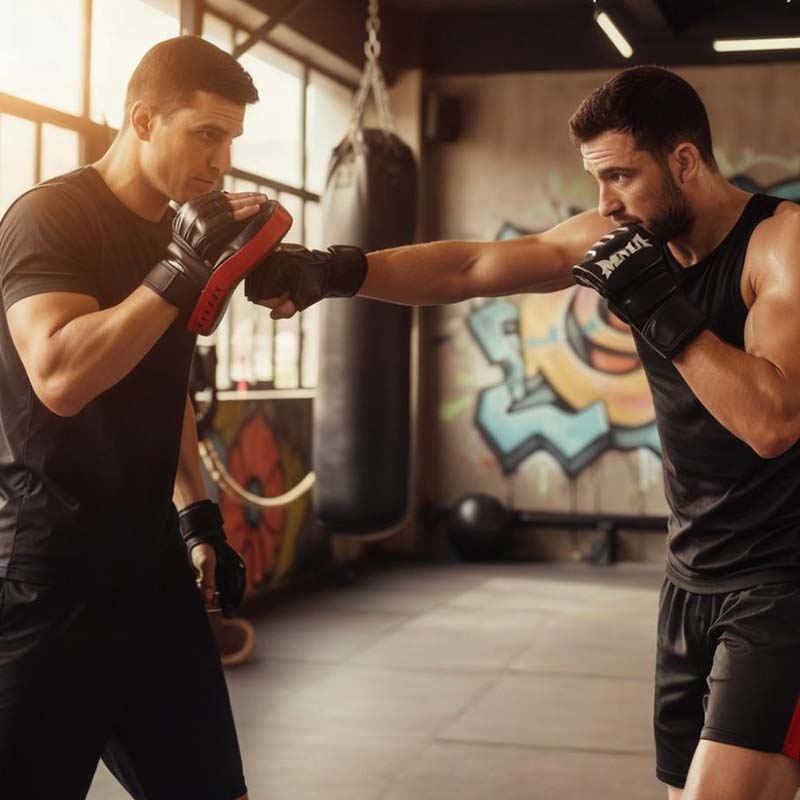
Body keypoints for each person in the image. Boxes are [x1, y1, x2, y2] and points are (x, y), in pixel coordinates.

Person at [245, 65, 800, 800]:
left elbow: (771, 422)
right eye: (596, 182)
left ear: (686, 162)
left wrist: (665, 315)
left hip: (781, 582)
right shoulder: (629, 232)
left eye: (621, 178)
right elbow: (473, 266)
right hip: (690, 575)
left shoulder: (780, 246)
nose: (605, 204)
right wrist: (336, 271)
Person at [0, 35, 275, 799]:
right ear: (144, 118)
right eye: (207, 134)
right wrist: (180, 272)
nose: (221, 161)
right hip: (54, 574)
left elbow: (165, 388)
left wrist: (197, 518)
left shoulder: (175, 233)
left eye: (231, 141)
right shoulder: (50, 217)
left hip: (150, 573)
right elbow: (59, 374)